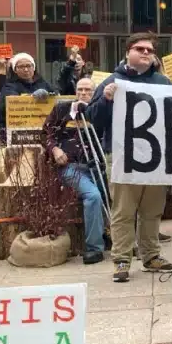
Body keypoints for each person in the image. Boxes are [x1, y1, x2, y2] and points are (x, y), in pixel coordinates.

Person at [85, 32, 172, 282]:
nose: (146, 53)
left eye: (150, 50)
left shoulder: (163, 82)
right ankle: (122, 259)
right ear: (128, 53)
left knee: (152, 210)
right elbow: (93, 118)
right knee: (123, 211)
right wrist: (105, 100)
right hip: (123, 156)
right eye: (140, 49)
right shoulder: (112, 81)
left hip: (155, 157)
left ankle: (151, 255)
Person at [44, 76, 107, 264]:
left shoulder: (99, 111)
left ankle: (119, 239)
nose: (83, 93)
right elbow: (46, 133)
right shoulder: (62, 109)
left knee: (117, 197)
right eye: (80, 89)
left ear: (95, 93)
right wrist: (55, 149)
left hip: (97, 165)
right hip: (71, 167)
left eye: (88, 90)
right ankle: (94, 248)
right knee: (93, 196)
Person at [0, 52, 55, 137]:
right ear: (15, 70)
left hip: (42, 130)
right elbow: (11, 101)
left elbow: (56, 96)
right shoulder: (10, 86)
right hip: (18, 133)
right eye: (21, 67)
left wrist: (50, 95)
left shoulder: (43, 83)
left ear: (33, 67)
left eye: (28, 66)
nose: (26, 70)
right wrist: (31, 97)